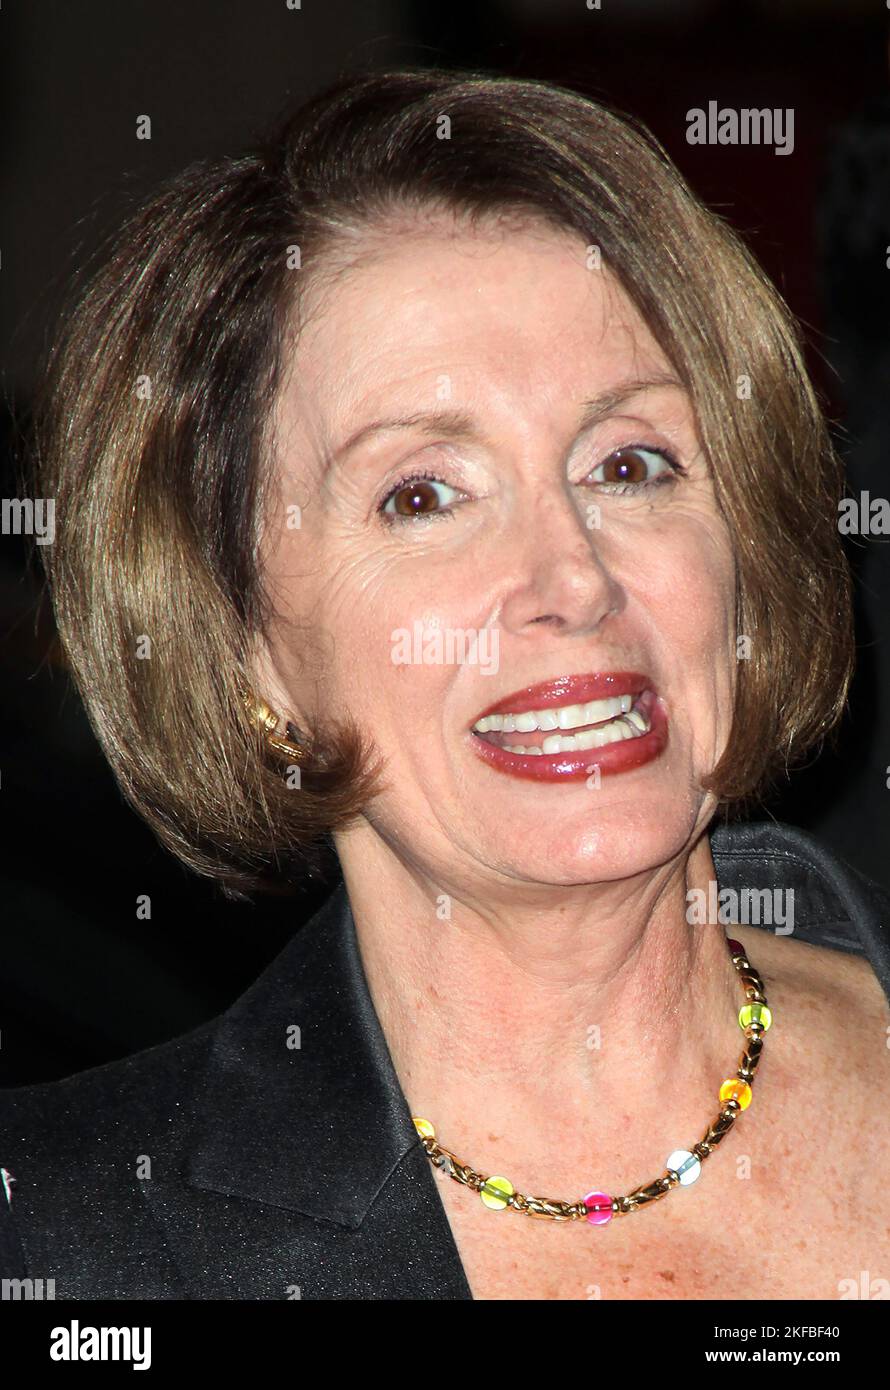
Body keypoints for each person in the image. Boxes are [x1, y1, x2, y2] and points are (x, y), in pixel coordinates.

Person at [2, 67, 888, 1302]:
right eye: (422, 494)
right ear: (246, 646)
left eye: (629, 462)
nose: (570, 576)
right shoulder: (68, 1242)